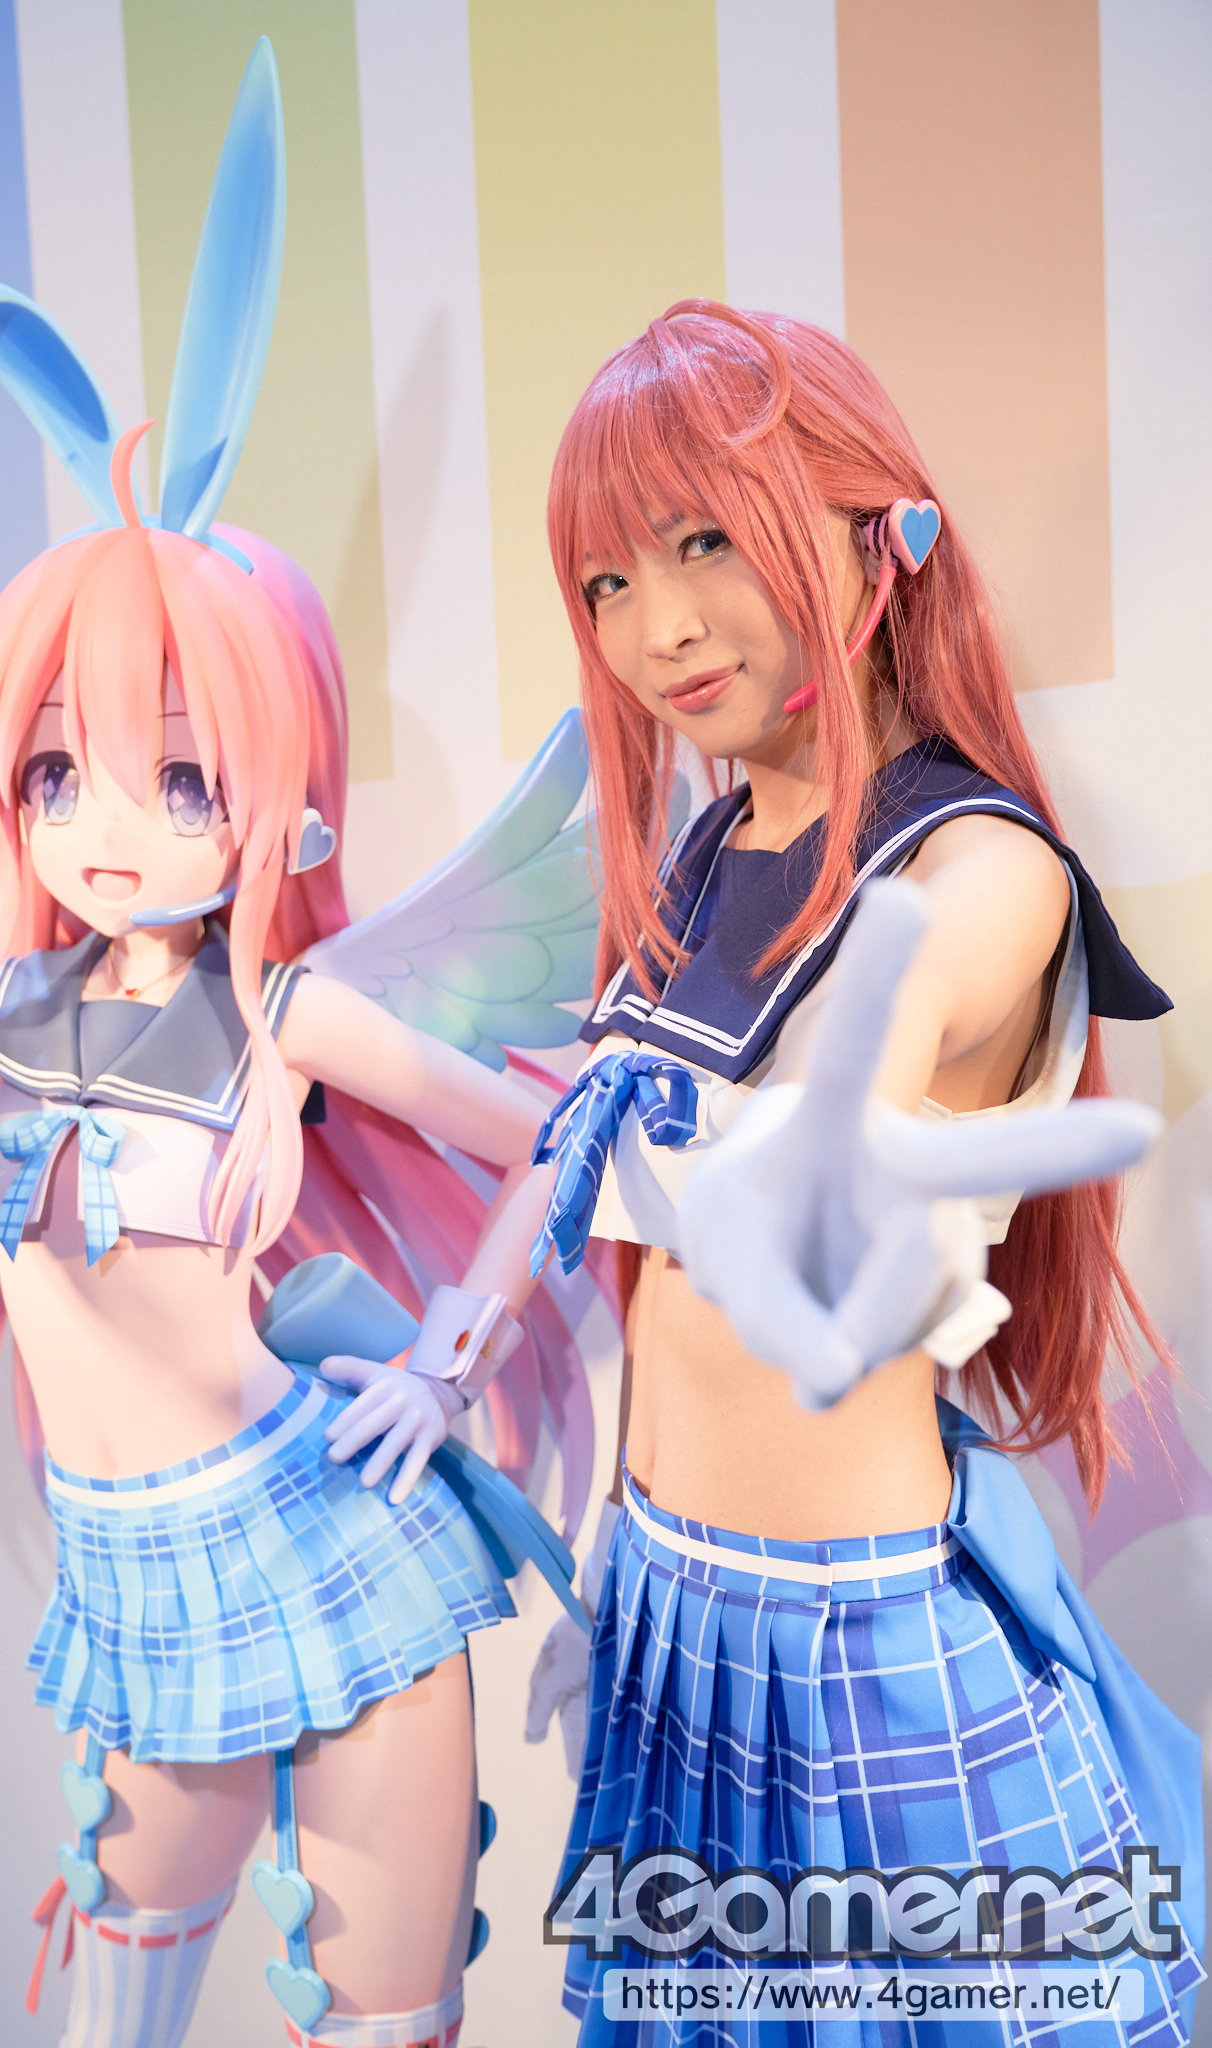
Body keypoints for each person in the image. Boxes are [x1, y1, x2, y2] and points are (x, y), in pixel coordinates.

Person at [0, 43, 599, 2048]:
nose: (108, 823)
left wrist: (446, 1359)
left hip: (330, 1538)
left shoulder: (288, 1011)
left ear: (278, 801)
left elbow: (550, 1136)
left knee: (379, 2020)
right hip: (134, 1581)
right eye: (57, 771)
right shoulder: (0, 1013)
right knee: (114, 2008)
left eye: (180, 776)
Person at [529, 301, 1204, 2044]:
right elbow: (661, 1272)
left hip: (853, 1644)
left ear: (875, 530)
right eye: (607, 580)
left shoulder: (981, 869)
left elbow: (879, 1039)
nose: (659, 626)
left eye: (703, 541)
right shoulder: (710, 853)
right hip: (672, 1603)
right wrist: (613, 1566)